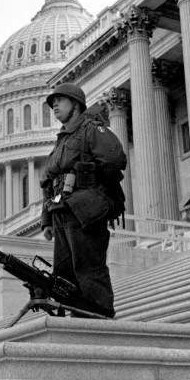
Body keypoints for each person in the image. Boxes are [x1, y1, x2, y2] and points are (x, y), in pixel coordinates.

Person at [41, 83, 126, 318]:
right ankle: (77, 317)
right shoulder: (60, 143)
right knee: (64, 273)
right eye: (52, 102)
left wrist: (93, 193)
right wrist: (46, 219)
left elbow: (114, 160)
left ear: (76, 104)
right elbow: (48, 182)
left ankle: (98, 318)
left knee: (88, 268)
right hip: (61, 212)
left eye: (60, 100)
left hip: (84, 212)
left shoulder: (92, 130)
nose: (54, 105)